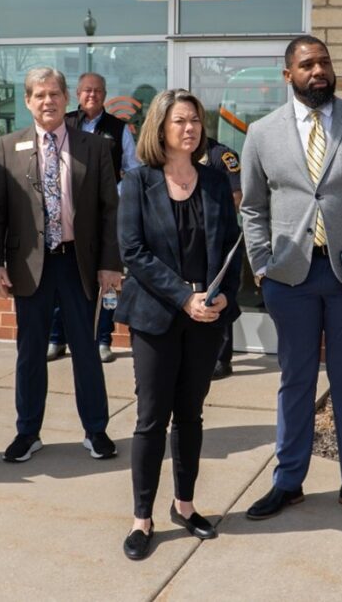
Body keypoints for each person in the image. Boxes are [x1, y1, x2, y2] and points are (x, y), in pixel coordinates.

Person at [240, 35, 342, 524]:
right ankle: (288, 483)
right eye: (307, 64)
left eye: (324, 62)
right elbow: (252, 207)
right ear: (287, 74)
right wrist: (262, 263)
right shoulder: (261, 133)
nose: (319, 71)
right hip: (290, 276)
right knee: (295, 381)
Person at [114, 89, 242, 560]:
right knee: (151, 418)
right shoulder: (137, 181)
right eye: (179, 121)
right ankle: (141, 517)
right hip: (156, 315)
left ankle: (184, 505)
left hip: (206, 317)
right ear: (160, 128)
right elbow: (133, 252)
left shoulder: (214, 181)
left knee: (191, 414)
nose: (189, 129)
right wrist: (183, 296)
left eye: (195, 121)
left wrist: (223, 294)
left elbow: (232, 244)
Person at [0, 66, 124, 464]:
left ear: (67, 99)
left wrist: (111, 263)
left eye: (55, 94)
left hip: (78, 264)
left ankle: (96, 431)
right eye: (39, 95)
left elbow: (109, 211)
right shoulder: (9, 146)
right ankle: (27, 432)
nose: (48, 101)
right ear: (28, 101)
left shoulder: (94, 147)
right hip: (30, 267)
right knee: (30, 353)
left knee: (85, 350)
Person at [51, 71, 141, 364]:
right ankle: (56, 338)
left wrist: (113, 192)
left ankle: (103, 340)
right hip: (66, 214)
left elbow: (134, 169)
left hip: (104, 216)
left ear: (105, 94)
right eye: (87, 90)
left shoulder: (119, 129)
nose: (92, 95)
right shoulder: (64, 123)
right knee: (61, 276)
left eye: (98, 90)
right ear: (77, 94)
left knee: (108, 279)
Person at [201, 136, 242, 380]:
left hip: (219, 236)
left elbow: (236, 195)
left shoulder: (222, 155)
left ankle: (222, 360)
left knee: (220, 295)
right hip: (194, 239)